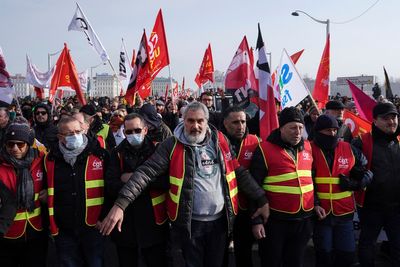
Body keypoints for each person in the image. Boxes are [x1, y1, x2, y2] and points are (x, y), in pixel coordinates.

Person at [99, 101, 270, 267]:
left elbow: (238, 171)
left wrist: (261, 198)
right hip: (190, 225)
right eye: (190, 121)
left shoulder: (220, 141)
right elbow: (145, 173)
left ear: (207, 121)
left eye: (200, 121)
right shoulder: (171, 145)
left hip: (220, 222)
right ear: (183, 120)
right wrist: (121, 204)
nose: (195, 126)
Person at [250, 107, 314, 267]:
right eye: (292, 127)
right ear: (281, 128)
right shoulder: (264, 149)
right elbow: (253, 188)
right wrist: (256, 221)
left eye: (300, 127)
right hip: (275, 222)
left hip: (303, 220)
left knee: (295, 262)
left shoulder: (307, 147)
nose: (297, 132)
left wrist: (317, 203)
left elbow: (310, 180)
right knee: (272, 262)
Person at [105, 113, 168, 267]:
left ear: (145, 130)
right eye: (129, 132)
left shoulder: (158, 149)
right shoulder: (116, 153)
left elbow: (165, 181)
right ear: (123, 132)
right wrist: (145, 182)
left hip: (154, 220)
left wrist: (132, 178)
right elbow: (110, 185)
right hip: (126, 222)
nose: (133, 134)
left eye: (137, 130)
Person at [44, 116, 108, 267]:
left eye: (78, 131)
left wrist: (103, 218)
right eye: (70, 134)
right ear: (60, 137)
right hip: (64, 229)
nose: (75, 136)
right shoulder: (50, 159)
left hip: (93, 227)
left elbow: (109, 189)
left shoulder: (100, 155)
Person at [311, 115, 373, 267]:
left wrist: (356, 184)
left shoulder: (349, 148)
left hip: (345, 214)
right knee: (324, 255)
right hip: (321, 215)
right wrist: (315, 203)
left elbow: (367, 172)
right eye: (327, 130)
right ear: (318, 131)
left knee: (347, 255)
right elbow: (305, 181)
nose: (332, 134)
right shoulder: (308, 149)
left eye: (334, 130)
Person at [352, 102, 400, 266]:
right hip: (372, 207)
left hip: (396, 208)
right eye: (386, 118)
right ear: (375, 120)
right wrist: (359, 173)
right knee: (367, 245)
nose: (391, 122)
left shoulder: (399, 141)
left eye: (394, 117)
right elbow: (352, 169)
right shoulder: (361, 142)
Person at [0, 123, 48, 267]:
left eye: (20, 144)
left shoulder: (42, 160)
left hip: (37, 231)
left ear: (28, 144)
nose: (15, 148)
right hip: (7, 233)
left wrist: (49, 194)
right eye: (10, 144)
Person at [221, 106, 260, 267]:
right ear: (225, 123)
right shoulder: (216, 142)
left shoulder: (256, 142)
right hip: (222, 210)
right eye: (235, 122)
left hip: (245, 209)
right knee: (219, 254)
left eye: (243, 121)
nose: (240, 126)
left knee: (244, 254)